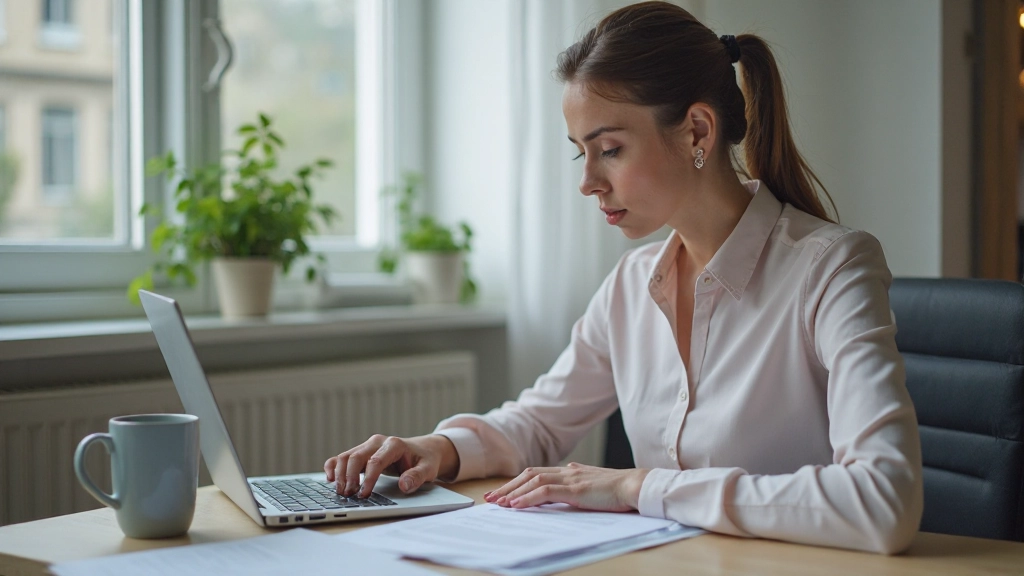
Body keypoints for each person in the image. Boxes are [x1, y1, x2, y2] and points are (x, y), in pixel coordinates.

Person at [324, 1, 922, 554]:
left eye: (609, 149)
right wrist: (439, 449)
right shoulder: (632, 282)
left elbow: (883, 500)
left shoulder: (833, 269)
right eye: (579, 152)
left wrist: (637, 486)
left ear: (697, 132)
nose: (588, 181)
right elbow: (539, 422)